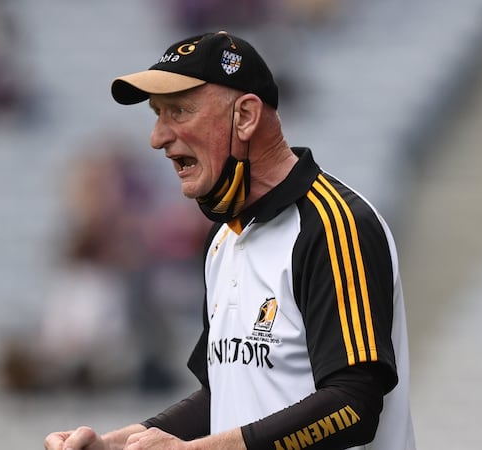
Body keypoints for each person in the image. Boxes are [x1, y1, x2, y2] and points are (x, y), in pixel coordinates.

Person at [45, 31, 416, 450]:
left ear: (245, 117)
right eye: (156, 114)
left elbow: (354, 406)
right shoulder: (223, 238)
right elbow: (221, 397)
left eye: (178, 112)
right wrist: (119, 443)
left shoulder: (334, 224)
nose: (157, 137)